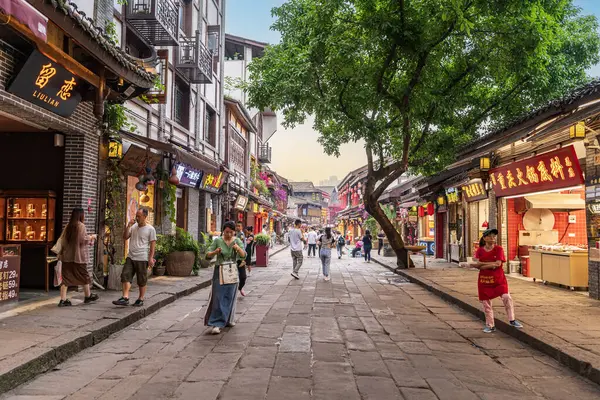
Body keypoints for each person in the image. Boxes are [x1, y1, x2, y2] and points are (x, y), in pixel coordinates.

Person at [473, 229, 523, 333]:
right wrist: (488, 265)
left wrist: (483, 265)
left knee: (506, 297)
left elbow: (498, 264)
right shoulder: (480, 250)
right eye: (490, 236)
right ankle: (490, 325)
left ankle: (512, 319)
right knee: (486, 303)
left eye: (494, 236)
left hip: (499, 279)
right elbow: (477, 265)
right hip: (484, 281)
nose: (493, 238)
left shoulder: (499, 249)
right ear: (485, 238)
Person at [204, 221, 247, 334]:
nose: (228, 235)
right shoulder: (218, 241)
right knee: (218, 296)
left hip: (232, 270)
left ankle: (228, 319)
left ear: (234, 232)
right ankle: (216, 323)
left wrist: (238, 249)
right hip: (220, 270)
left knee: (230, 296)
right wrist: (215, 252)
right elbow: (207, 254)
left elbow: (244, 255)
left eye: (231, 232)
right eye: (226, 232)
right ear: (223, 231)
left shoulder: (237, 241)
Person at [113, 209, 156, 307]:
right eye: (136, 215)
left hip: (142, 258)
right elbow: (125, 237)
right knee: (125, 275)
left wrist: (150, 258)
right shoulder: (133, 227)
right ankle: (125, 297)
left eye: (139, 216)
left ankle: (140, 298)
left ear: (145, 216)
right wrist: (128, 226)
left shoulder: (150, 229)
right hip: (131, 256)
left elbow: (153, 245)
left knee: (141, 279)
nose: (137, 218)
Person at [57, 208, 98, 307]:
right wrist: (92, 237)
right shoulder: (81, 226)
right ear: (81, 215)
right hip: (78, 257)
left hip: (66, 256)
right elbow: (82, 239)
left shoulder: (68, 226)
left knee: (66, 278)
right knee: (84, 275)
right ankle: (88, 296)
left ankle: (63, 299)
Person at [240, 226, 255, 296]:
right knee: (246, 262)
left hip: (249, 250)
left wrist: (245, 239)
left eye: (247, 230)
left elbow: (248, 242)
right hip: (246, 250)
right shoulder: (248, 235)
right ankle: (248, 272)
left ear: (249, 230)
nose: (246, 231)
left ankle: (249, 273)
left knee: (248, 262)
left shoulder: (251, 236)